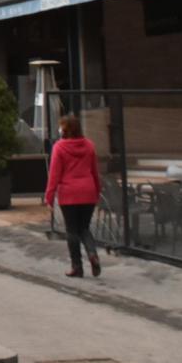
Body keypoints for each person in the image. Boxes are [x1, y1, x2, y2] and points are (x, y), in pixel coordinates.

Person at [44, 113, 102, 278]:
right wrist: (97, 191)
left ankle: (77, 267)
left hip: (69, 194)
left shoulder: (59, 148)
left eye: (62, 126)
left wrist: (49, 196)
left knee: (72, 230)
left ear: (65, 130)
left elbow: (54, 174)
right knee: (84, 227)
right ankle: (92, 254)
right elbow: (94, 171)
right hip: (88, 190)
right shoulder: (89, 145)